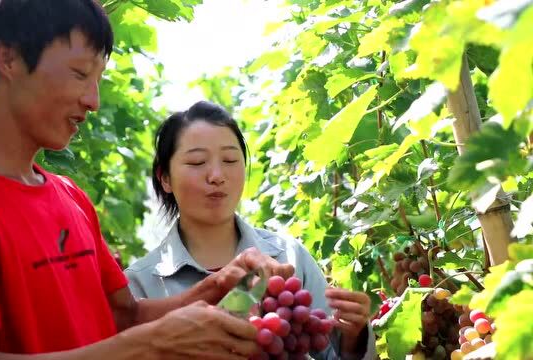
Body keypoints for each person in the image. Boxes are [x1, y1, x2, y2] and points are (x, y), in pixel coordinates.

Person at [0, 1, 294, 360]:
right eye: (80, 74)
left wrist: (219, 284)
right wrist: (153, 344)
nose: (93, 100)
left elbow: (124, 316)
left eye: (98, 79)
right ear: (9, 58)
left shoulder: (69, 197)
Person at [125, 101, 377, 359]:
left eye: (230, 159)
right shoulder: (139, 284)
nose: (216, 175)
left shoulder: (289, 257)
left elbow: (327, 349)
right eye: (198, 162)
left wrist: (354, 339)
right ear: (164, 178)